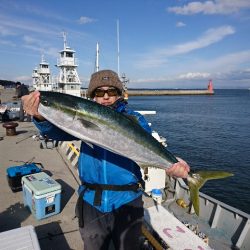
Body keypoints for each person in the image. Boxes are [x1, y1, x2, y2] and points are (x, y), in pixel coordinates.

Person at [22, 69, 190, 250]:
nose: (106, 96)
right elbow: (55, 131)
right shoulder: (78, 119)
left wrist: (172, 162)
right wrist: (39, 115)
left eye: (112, 91)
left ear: (119, 94)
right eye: (100, 92)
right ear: (93, 96)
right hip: (91, 200)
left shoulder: (135, 119)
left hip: (127, 200)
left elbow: (147, 143)